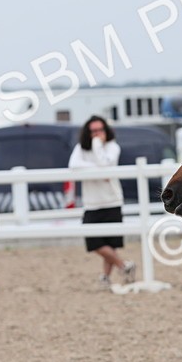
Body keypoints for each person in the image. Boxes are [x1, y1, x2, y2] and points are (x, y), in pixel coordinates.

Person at [69, 116, 135, 287]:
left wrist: (97, 148)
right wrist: (98, 170)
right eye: (93, 131)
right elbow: (74, 166)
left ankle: (105, 278)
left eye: (100, 130)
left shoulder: (113, 147)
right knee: (94, 242)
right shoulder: (81, 148)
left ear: (106, 130)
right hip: (92, 202)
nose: (97, 134)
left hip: (112, 200)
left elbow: (106, 165)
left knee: (110, 244)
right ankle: (124, 266)